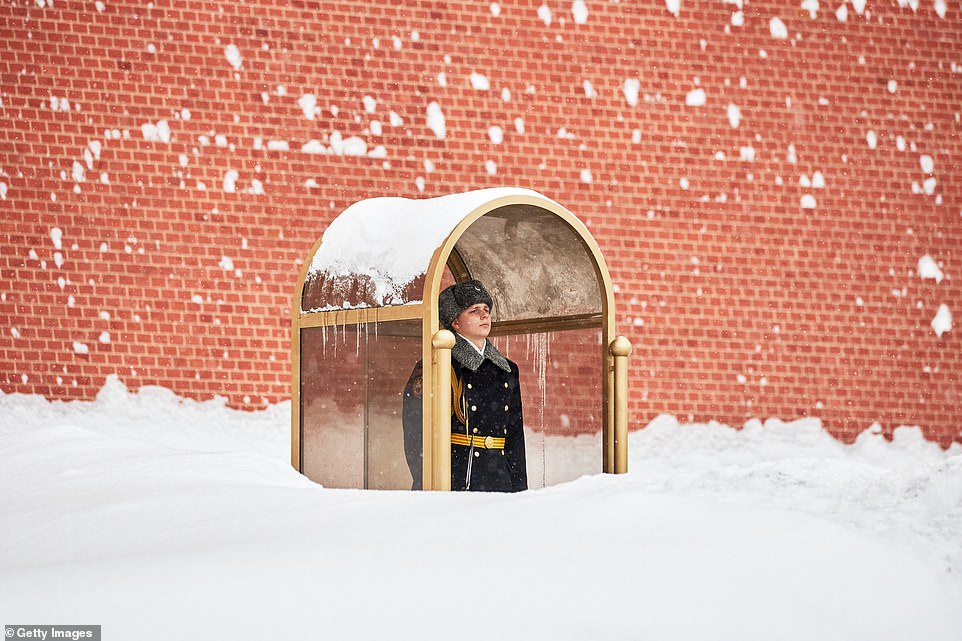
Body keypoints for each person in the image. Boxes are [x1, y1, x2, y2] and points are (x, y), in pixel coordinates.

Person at [402, 280, 527, 492]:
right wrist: (427, 484)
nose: (484, 315)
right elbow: (416, 433)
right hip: (457, 482)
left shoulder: (507, 370)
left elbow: (515, 439)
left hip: (499, 483)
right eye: (474, 310)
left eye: (486, 309)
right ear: (455, 322)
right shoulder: (437, 365)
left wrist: (519, 489)